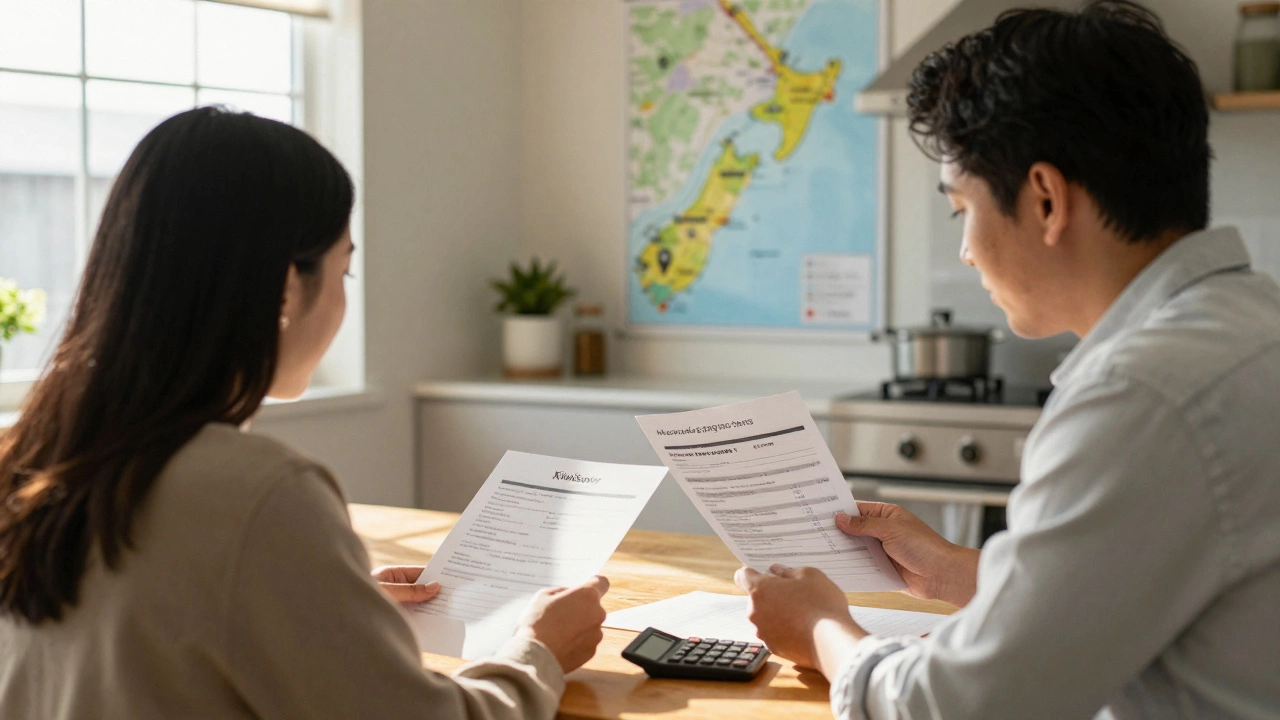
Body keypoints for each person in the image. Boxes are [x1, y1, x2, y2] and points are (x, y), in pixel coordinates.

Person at [736, 2, 1280, 718]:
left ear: (1047, 199)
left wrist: (821, 631)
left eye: (962, 209)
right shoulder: (1253, 322)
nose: (964, 249)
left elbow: (964, 706)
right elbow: (1124, 586)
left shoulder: (1140, 396)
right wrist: (960, 573)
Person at [0, 107, 608, 720]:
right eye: (343, 269)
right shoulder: (259, 492)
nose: (343, 298)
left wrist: (324, 607)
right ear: (287, 288)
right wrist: (538, 652)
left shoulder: (31, 460)